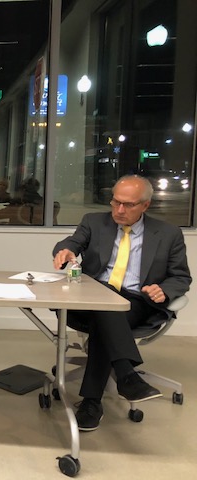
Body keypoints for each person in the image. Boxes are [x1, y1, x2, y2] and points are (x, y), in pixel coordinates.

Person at [52, 175, 191, 431]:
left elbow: (181, 277)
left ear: (145, 205)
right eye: (115, 202)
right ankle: (126, 375)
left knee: (106, 317)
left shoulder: (168, 233)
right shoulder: (94, 222)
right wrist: (64, 251)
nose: (119, 210)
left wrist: (164, 290)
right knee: (104, 304)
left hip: (135, 302)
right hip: (90, 298)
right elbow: (72, 243)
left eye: (128, 205)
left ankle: (92, 402)